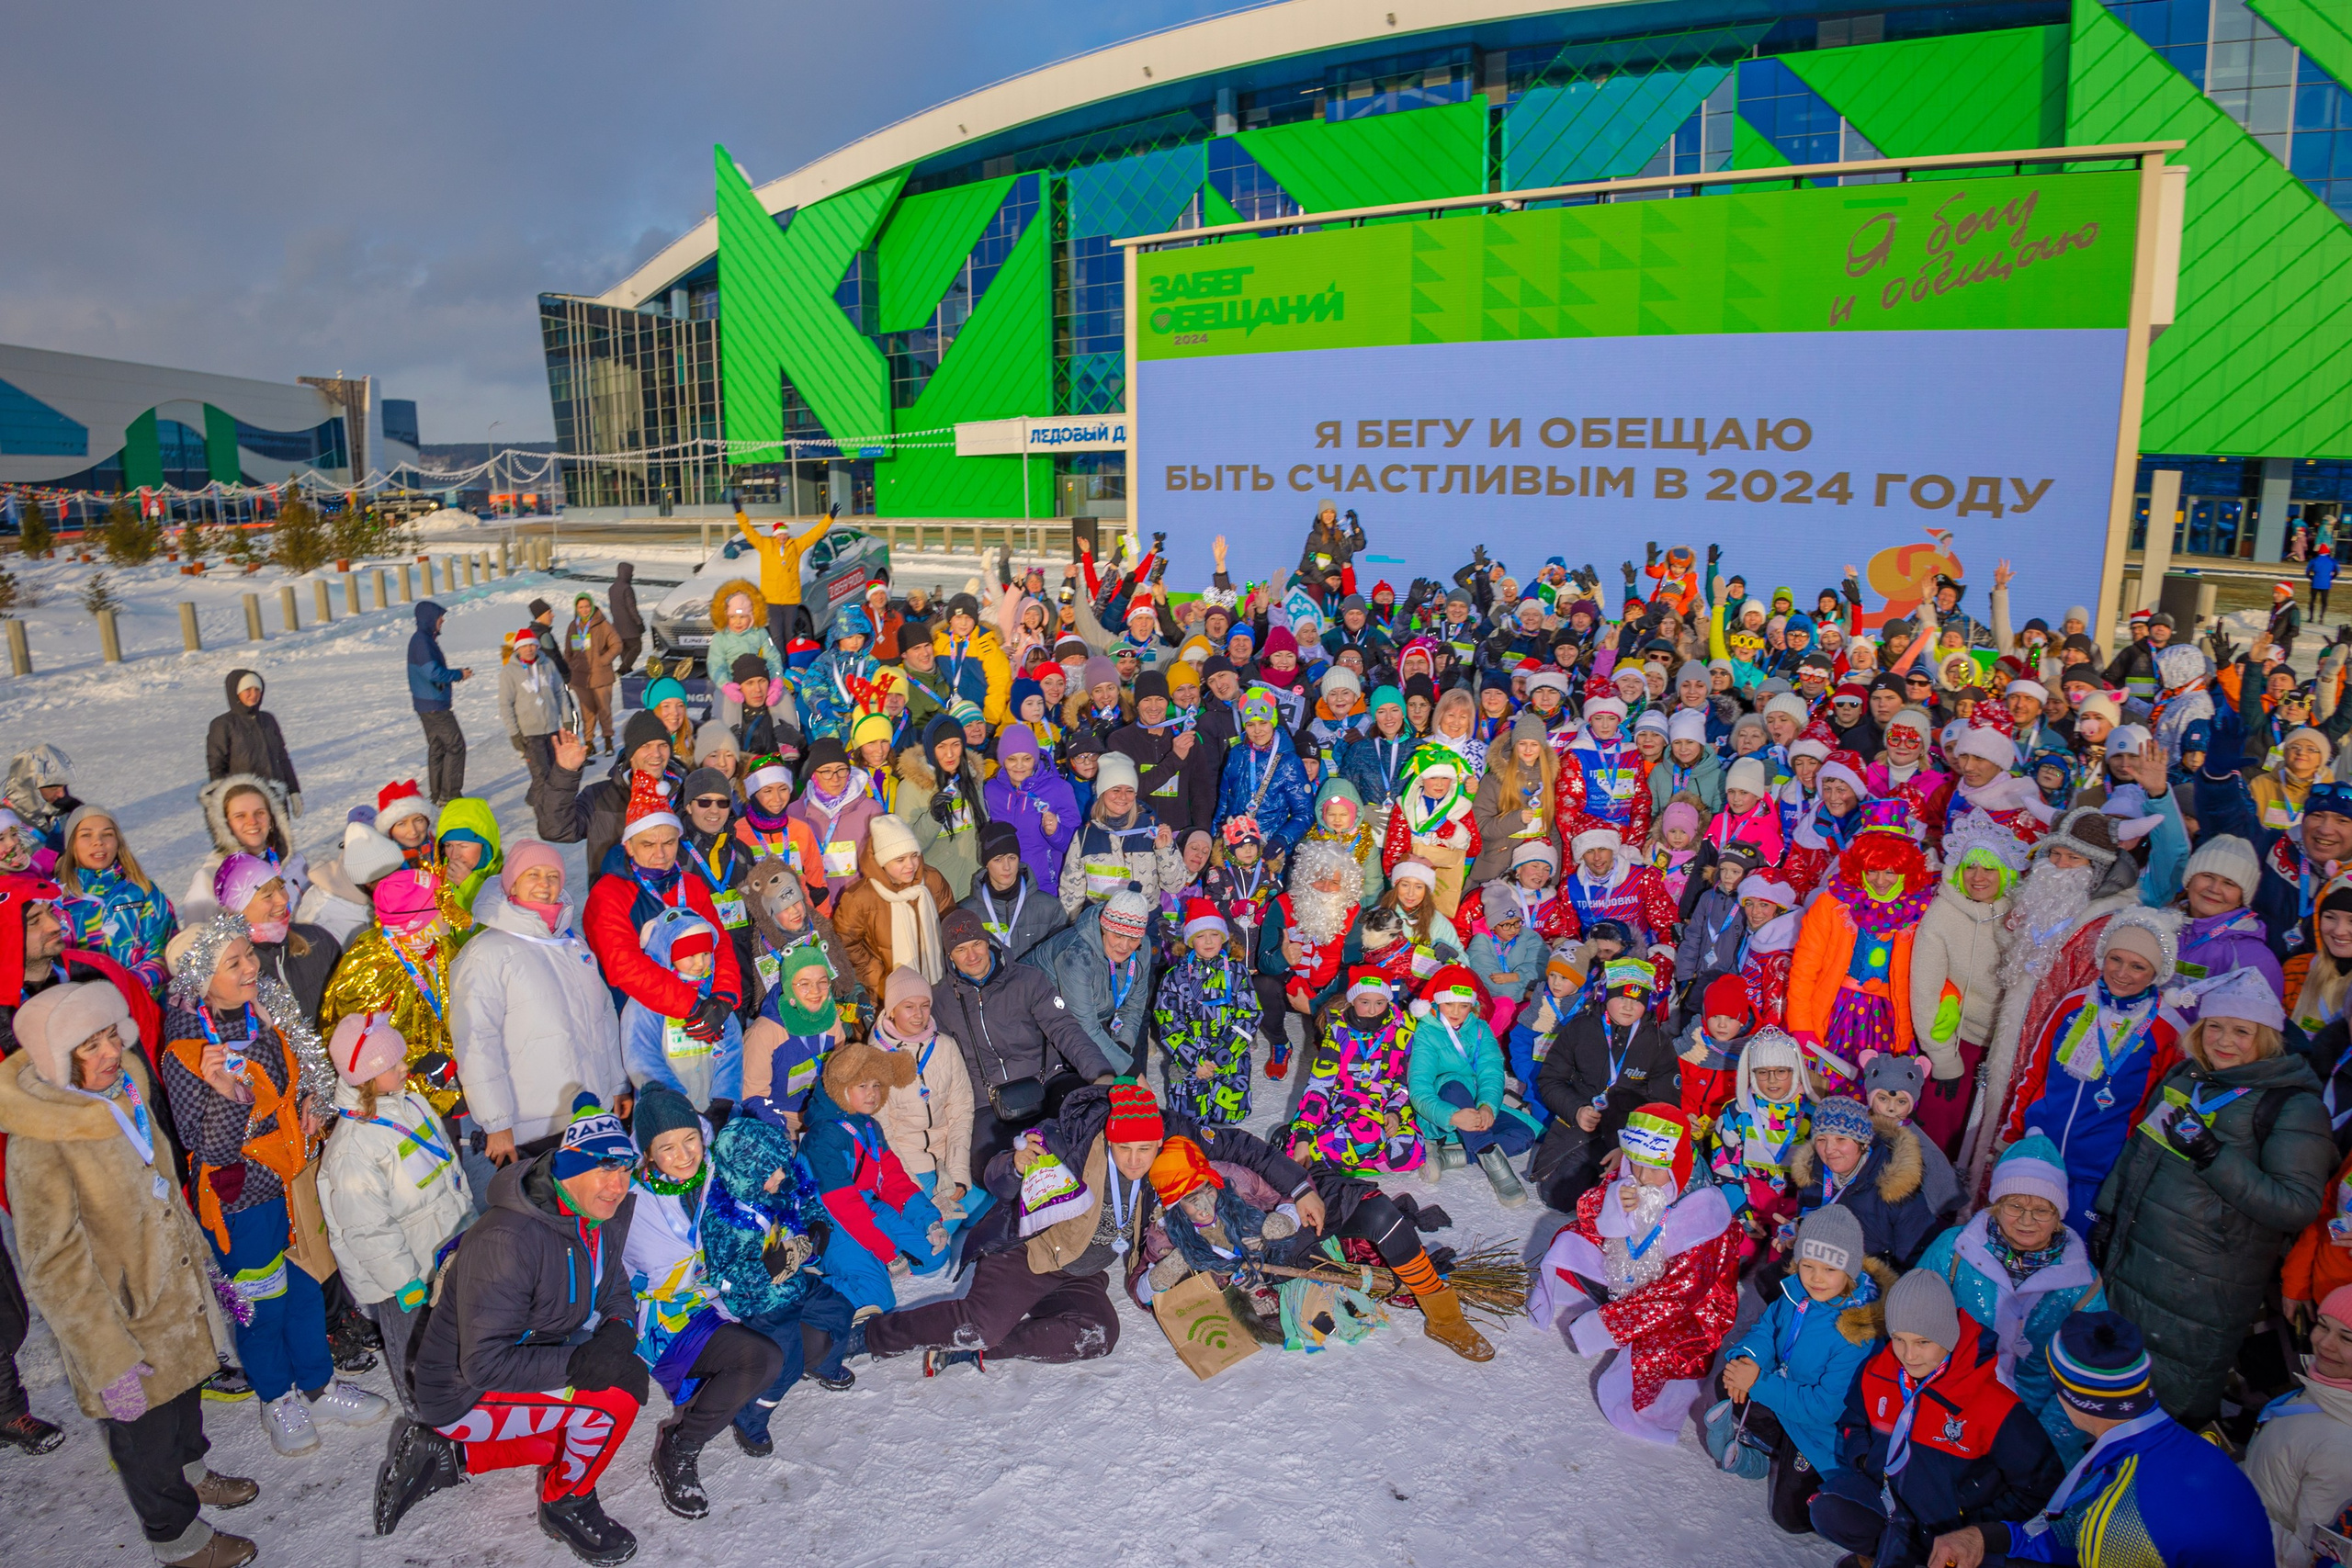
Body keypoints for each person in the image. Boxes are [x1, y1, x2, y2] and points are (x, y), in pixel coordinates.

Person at [0, 980, 262, 1567]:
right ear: (55, 1059)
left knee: (185, 1403)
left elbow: (163, 1194)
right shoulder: (40, 1141)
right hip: (122, 1322)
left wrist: (207, 1275)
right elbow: (52, 1265)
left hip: (175, 1295)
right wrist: (107, 1357)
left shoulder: (128, 1093)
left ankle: (191, 1472)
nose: (111, 1053)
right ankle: (178, 1539)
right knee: (145, 1440)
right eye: (89, 1046)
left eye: (111, 1036)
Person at [379, 1096, 650, 1562]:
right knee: (614, 1398)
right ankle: (567, 1503)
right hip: (461, 1390)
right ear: (567, 1168)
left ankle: (448, 1456)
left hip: (529, 1354)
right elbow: (484, 1364)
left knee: (566, 1434)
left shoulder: (593, 1214)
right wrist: (582, 1363)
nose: (617, 1184)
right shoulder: (507, 1240)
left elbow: (614, 1286)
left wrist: (620, 1330)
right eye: (605, 1169)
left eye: (626, 1169)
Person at [158, 915, 389, 1456]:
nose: (251, 967)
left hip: (291, 1181)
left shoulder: (264, 1014)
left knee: (307, 1289)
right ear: (200, 982)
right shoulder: (188, 1053)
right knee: (260, 1306)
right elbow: (210, 1149)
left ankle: (317, 1384)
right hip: (242, 1200)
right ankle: (275, 1397)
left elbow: (301, 1072)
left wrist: (310, 1100)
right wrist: (225, 1090)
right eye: (233, 963)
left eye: (248, 956)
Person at [2093, 965, 2332, 1429]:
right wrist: (2107, 1214)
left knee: (2170, 1405)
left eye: (2242, 1031)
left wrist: (2213, 1155)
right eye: (2215, 1027)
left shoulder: (2295, 1106)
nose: (2225, 1041)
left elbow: (2296, 1205)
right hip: (2137, 1261)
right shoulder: (2187, 1077)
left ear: (2265, 1037)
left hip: (2206, 1285)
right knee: (2115, 1389)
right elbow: (2139, 1150)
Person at [1927, 1313, 2269, 1568]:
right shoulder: (2191, 1449)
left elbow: (2102, 1532)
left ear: (2068, 1397)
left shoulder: (2124, 1510)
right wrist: (1984, 1537)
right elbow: (2079, 1532)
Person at [1808, 1269, 2064, 1566]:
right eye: (1899, 1339)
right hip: (1894, 1508)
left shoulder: (1994, 1404)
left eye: (1923, 1342)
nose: (1909, 1354)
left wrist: (1975, 1529)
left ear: (1948, 1336)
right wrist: (1865, 1459)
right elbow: (1854, 1421)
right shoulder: (1879, 1371)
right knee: (1829, 1509)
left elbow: (2042, 1486)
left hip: (1951, 1528)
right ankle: (1884, 1552)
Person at [1966, 807, 2157, 1193]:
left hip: (2056, 1060)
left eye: (2073, 857)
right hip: (2012, 1047)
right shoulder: (2043, 905)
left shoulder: (2103, 927)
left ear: (2098, 868)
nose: (2059, 865)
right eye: (2054, 854)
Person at [615, 1087, 784, 1519]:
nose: (684, 1153)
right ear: (648, 1153)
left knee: (809, 1338)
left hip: (721, 1296)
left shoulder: (717, 1172)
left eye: (689, 1138)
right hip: (664, 1317)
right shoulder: (627, 1198)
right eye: (666, 1147)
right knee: (761, 1359)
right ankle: (678, 1449)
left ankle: (728, 1402)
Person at [1528, 1104, 1743, 1441]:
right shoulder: (1632, 1178)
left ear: (1677, 1166)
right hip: (1631, 1283)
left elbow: (1679, 1295)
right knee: (1569, 1238)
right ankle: (1597, 1305)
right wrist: (1613, 1203)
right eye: (1635, 1164)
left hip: (1686, 1310)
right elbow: (1587, 1211)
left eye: (1654, 1170)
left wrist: (1605, 1326)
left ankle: (1649, 1406)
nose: (1641, 1178)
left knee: (1647, 1367)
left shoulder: (1707, 1216)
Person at [1993, 907, 2188, 1236]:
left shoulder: (2169, 1030)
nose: (2122, 973)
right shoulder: (2073, 1004)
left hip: (2099, 1174)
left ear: (2157, 972)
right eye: (2115, 959)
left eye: (2138, 966)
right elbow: (2035, 1073)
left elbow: (2161, 1111)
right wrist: (2011, 1139)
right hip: (2039, 1159)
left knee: (2073, 1261)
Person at [316, 1011, 473, 1420]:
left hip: (444, 1248)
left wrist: (468, 1213)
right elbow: (367, 1230)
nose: (406, 1067)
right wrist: (403, 1282)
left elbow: (448, 1165)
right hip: (403, 1280)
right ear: (366, 1077)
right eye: (393, 1064)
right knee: (416, 1352)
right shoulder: (352, 1150)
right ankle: (424, 1422)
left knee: (455, 1337)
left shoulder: (411, 1103)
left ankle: (463, 1408)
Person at [1915, 1134, 2105, 1465]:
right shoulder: (1954, 1249)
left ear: (2059, 1213)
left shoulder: (2082, 1282)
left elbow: (2086, 1377)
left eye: (2042, 1210)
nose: (2027, 1220)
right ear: (1996, 1204)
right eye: (2015, 1205)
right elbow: (1915, 1320)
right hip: (1948, 1406)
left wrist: (2039, 1448)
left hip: (2031, 1422)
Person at [447, 841, 625, 1189]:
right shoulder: (487, 952)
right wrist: (497, 1122)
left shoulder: (574, 946)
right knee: (543, 1228)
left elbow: (604, 1018)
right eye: (533, 875)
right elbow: (476, 1041)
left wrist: (615, 1084)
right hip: (532, 1127)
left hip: (588, 1116)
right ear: (511, 884)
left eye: (553, 875)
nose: (544, 883)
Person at [1708, 1205, 1888, 1534]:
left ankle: (1791, 1453)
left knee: (1791, 1519)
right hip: (1785, 1392)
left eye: (1830, 1269)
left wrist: (1758, 1382)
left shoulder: (1857, 1332)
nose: (1816, 1278)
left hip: (1820, 1430)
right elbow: (1767, 1329)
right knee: (1730, 1377)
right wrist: (1747, 1359)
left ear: (1849, 1271)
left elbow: (1824, 1408)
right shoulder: (1796, 1293)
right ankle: (1770, 1445)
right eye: (1808, 1266)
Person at [929, 906, 1114, 1175]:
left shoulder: (1028, 980)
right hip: (987, 1102)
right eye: (961, 950)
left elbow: (1065, 1029)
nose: (972, 956)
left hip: (1047, 1082)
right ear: (949, 956)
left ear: (988, 941)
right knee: (989, 1166)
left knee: (1087, 1116)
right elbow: (943, 1063)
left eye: (977, 944)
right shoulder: (942, 1002)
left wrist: (1100, 1074)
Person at [582, 774, 743, 1065]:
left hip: (702, 1019)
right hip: (642, 1028)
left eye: (669, 842)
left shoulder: (691, 885)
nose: (660, 854)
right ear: (629, 846)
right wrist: (691, 1004)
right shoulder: (608, 894)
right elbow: (624, 966)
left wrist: (724, 996)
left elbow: (720, 944)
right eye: (648, 844)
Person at [799, 1043, 950, 1317]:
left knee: (935, 1255)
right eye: (862, 1086)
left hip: (867, 1208)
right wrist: (887, 1252)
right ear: (841, 1087)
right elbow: (842, 1205)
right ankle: (803, 1285)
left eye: (877, 1085)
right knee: (878, 1297)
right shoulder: (823, 1136)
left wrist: (930, 1220)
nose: (872, 1094)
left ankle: (867, 1262)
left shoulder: (868, 1124)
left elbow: (892, 1179)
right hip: (832, 1222)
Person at [1906, 815, 2020, 1157]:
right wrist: (1942, 1056)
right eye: (1971, 867)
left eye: (1989, 869)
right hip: (1960, 1041)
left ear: (2006, 873)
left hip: (2009, 1044)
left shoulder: (2020, 913)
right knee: (1942, 1130)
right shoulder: (1942, 914)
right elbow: (1925, 989)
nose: (1978, 877)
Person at [1531, 956, 1679, 1210]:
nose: (1628, 1007)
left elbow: (1665, 1105)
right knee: (1558, 1197)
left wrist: (1630, 1149)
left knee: (1633, 1201)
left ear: (1650, 1003)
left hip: (1631, 1138)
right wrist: (1576, 1109)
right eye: (1621, 997)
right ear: (1602, 995)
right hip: (1580, 1132)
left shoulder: (1659, 1044)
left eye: (1637, 1000)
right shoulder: (1579, 1029)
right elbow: (1550, 1080)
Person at [1408, 962, 1540, 1204]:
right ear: (1437, 1002)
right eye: (1449, 1004)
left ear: (1473, 1005)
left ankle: (1453, 1157)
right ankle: (1495, 1166)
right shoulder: (1426, 1032)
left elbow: (1492, 1073)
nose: (1456, 1011)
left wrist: (1488, 1105)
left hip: (1477, 1105)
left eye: (1464, 1005)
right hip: (1444, 1111)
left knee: (1524, 1135)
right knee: (1454, 1083)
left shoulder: (1480, 1029)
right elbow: (1419, 1090)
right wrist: (1452, 1116)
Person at [868, 966, 988, 1235]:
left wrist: (959, 1175)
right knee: (943, 1230)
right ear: (891, 1010)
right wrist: (911, 1189)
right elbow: (883, 1134)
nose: (919, 1014)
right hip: (910, 1163)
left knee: (984, 1211)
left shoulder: (944, 1046)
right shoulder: (875, 1059)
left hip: (947, 1153)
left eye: (924, 1005)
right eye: (908, 1006)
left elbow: (961, 1110)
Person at [2245, 1284, 2352, 1567]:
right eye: (2323, 1326)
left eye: (2347, 1338)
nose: (2325, 1344)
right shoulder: (2323, 1388)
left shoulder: (2341, 1450)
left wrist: (2225, 1510)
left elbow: (2306, 1556)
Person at [1285, 967, 1424, 1174]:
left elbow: (1405, 1084)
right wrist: (1304, 1133)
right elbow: (1320, 1084)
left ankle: (1337, 1155)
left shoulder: (1402, 1032)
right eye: (1364, 1002)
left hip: (1385, 1104)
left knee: (1413, 1152)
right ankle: (1307, 1144)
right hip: (1349, 1104)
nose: (1372, 1010)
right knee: (1369, 1134)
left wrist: (1395, 1112)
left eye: (1380, 1003)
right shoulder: (1338, 1031)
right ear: (1352, 1000)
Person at [1787, 1093, 1946, 1272]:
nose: (1829, 1150)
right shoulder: (1813, 1178)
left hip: (1872, 1287)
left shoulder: (1896, 1190)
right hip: (1821, 1276)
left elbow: (1919, 1266)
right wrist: (1797, 1231)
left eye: (1841, 1139)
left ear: (1863, 1144)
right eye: (1821, 1140)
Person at [619, 909, 742, 1114]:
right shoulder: (645, 1003)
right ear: (667, 953)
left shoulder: (712, 995)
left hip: (710, 1106)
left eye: (705, 954)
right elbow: (641, 1060)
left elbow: (731, 1049)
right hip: (665, 1114)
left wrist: (724, 1100)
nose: (700, 963)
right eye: (690, 955)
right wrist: (675, 1103)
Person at [1154, 899, 1262, 1127]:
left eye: (1214, 934)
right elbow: (1168, 1021)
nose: (1209, 942)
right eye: (1201, 936)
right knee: (1188, 1121)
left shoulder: (1237, 972)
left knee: (1231, 1116)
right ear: (1191, 941)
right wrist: (1195, 1061)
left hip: (1229, 1053)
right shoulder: (1175, 977)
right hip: (1191, 1055)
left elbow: (1250, 1014)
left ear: (1223, 937)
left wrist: (1221, 1055)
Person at [1029, 886, 1158, 1077]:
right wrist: (1129, 1070)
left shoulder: (1142, 947)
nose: (1124, 946)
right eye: (1118, 935)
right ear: (1104, 928)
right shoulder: (1077, 954)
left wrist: (1121, 1047)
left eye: (1133, 938)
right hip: (1039, 1028)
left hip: (1091, 1024)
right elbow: (1084, 1027)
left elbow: (1134, 1006)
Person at [56, 804, 178, 995]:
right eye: (86, 835)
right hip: (82, 1008)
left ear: (118, 841)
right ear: (71, 844)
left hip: (144, 1002)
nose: (99, 842)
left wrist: (129, 985)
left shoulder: (142, 891)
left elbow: (164, 947)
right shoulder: (55, 899)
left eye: (107, 834)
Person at [831, 814, 952, 998]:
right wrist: (880, 980)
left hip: (938, 989)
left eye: (914, 855)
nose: (910, 865)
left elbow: (950, 925)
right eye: (900, 859)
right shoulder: (859, 898)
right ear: (882, 862)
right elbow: (845, 945)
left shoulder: (932, 881)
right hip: (888, 996)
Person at [182, 774, 308, 924]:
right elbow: (196, 939)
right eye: (240, 816)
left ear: (272, 819)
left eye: (260, 813)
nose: (252, 821)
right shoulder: (209, 878)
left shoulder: (294, 864)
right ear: (225, 825)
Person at [893, 715, 989, 899]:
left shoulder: (972, 777)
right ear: (930, 749)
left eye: (955, 744)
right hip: (938, 890)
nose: (950, 754)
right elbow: (907, 850)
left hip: (974, 884)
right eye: (941, 747)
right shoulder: (911, 787)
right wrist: (933, 818)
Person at [959, 819, 1068, 961]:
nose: (1007, 867)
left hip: (1036, 982)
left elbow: (1062, 958)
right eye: (998, 859)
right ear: (986, 864)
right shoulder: (967, 913)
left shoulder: (1050, 907)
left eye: (1012, 858)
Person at [735, 505, 834, 659]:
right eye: (779, 534)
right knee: (776, 636)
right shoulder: (765, 545)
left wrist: (829, 518)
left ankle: (790, 664)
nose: (782, 537)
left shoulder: (795, 546)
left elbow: (814, 534)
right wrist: (739, 513)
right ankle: (779, 666)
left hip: (790, 600)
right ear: (775, 535)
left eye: (784, 534)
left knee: (789, 635)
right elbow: (749, 531)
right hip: (772, 600)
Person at [499, 620, 569, 814]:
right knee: (541, 774)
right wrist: (514, 734)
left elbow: (560, 693)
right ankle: (544, 812)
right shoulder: (509, 672)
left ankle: (534, 798)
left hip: (552, 728)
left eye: (532, 645)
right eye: (524, 646)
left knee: (555, 771)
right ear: (518, 649)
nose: (529, 649)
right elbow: (505, 705)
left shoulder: (548, 664)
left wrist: (567, 720)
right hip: (530, 732)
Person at [407, 600, 472, 805]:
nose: (442, 620)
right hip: (434, 705)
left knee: (438, 747)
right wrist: (458, 674)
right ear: (429, 619)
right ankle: (450, 795)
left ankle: (437, 795)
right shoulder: (422, 642)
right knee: (455, 746)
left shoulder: (423, 640)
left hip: (427, 704)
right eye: (439, 617)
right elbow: (432, 672)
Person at [205, 668, 300, 805]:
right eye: (247, 690)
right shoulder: (223, 725)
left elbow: (282, 758)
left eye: (257, 690)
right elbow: (217, 768)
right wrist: (225, 802)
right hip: (244, 803)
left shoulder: (268, 720)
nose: (254, 694)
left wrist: (294, 790)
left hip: (275, 799)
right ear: (236, 693)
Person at [608, 561, 644, 675]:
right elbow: (631, 608)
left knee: (625, 648)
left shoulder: (612, 588)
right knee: (637, 646)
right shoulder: (627, 588)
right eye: (631, 572)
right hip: (629, 626)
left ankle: (627, 670)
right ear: (626, 573)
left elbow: (612, 607)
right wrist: (639, 622)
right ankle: (623, 669)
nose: (632, 575)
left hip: (618, 625)